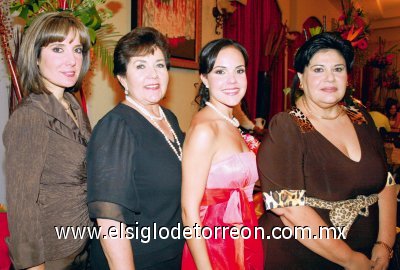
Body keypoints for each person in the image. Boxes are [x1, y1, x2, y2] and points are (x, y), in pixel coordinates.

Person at [257, 32, 397, 270]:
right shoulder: (287, 126)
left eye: (338, 69)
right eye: (318, 70)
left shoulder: (361, 118)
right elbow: (289, 208)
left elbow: (387, 182)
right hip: (303, 258)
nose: (330, 78)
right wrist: (349, 259)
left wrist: (385, 244)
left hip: (370, 256)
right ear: (301, 78)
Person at [87, 27, 184, 269]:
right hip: (137, 260)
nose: (153, 75)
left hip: (172, 254)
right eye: (140, 66)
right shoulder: (116, 127)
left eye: (159, 65)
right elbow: (110, 221)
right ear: (122, 78)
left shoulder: (169, 118)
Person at [3, 12, 92, 269]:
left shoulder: (73, 106)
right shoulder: (30, 117)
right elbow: (22, 209)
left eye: (77, 49)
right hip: (51, 260)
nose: (71, 60)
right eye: (57, 48)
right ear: (36, 58)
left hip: (81, 249)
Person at [181, 38, 263, 269]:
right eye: (220, 71)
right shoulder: (204, 130)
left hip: (244, 238)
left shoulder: (230, 121)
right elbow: (189, 211)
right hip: (214, 246)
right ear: (204, 79)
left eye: (239, 70)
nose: (232, 81)